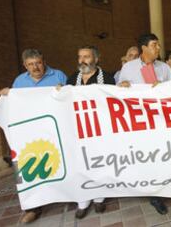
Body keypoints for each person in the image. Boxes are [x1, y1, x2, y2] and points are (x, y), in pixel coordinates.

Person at [0, 49, 67, 224]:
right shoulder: (19, 81)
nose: (35, 67)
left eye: (38, 62)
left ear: (43, 61)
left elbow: (70, 98)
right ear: (25, 65)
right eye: (30, 64)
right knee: (26, 167)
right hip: (29, 133)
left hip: (55, 129)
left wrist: (65, 91)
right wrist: (8, 94)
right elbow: (14, 105)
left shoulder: (58, 75)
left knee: (61, 163)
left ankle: (69, 194)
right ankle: (32, 207)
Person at [118, 33, 171, 215]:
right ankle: (147, 189)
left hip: (160, 121)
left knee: (159, 156)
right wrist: (123, 87)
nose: (158, 48)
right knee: (144, 156)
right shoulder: (128, 68)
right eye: (154, 45)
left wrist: (162, 88)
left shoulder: (164, 69)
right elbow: (118, 93)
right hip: (138, 122)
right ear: (144, 48)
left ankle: (159, 192)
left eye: (158, 44)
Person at [65, 45, 114, 219]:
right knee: (80, 165)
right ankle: (82, 201)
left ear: (96, 59)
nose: (83, 60)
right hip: (77, 130)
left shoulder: (107, 78)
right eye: (80, 56)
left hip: (100, 130)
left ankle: (99, 198)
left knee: (98, 163)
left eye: (87, 56)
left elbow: (114, 100)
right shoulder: (71, 79)